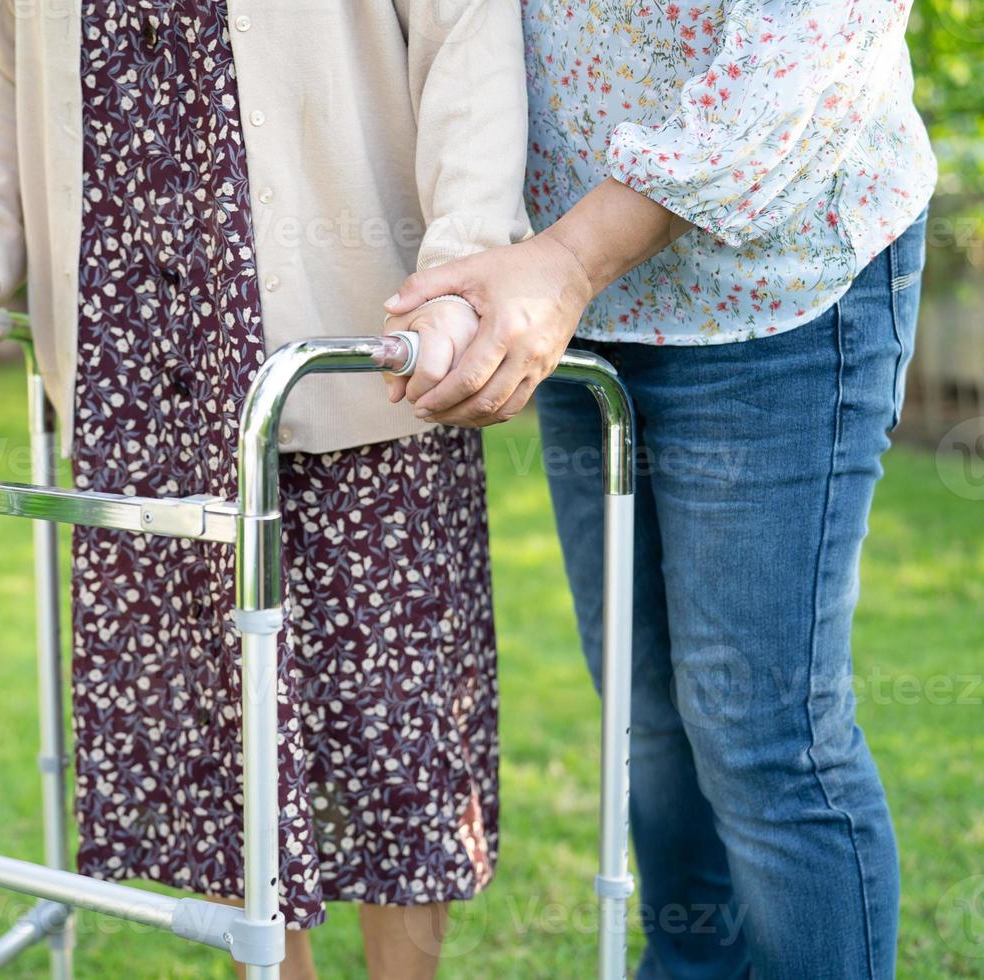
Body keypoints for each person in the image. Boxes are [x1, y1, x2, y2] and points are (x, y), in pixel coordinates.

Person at [0, 3, 528, 977]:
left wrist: (466, 265)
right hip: (140, 372)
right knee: (222, 742)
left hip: (361, 338)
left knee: (393, 746)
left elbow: (469, 39)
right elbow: (10, 58)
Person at [383, 1, 935, 976]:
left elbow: (800, 57)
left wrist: (565, 261)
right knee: (646, 712)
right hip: (579, 306)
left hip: (778, 290)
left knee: (762, 734)